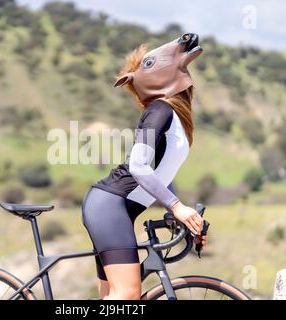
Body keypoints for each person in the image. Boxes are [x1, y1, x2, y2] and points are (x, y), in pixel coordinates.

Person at [81, 33, 208, 300]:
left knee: (112, 300)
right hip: (109, 206)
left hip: (115, 210)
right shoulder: (159, 110)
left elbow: (161, 173)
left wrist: (180, 215)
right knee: (127, 296)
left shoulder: (173, 115)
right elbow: (139, 167)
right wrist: (176, 205)